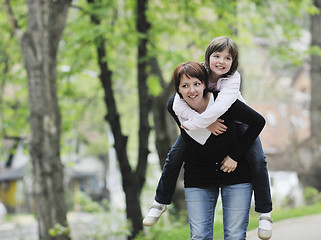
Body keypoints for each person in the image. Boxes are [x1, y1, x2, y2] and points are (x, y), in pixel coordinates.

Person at [143, 37, 272, 240]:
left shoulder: (232, 79)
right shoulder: (198, 73)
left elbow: (223, 108)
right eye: (216, 56)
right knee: (175, 155)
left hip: (238, 122)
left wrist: (204, 124)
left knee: (257, 158)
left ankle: (265, 212)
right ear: (208, 57)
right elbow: (174, 104)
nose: (221, 61)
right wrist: (202, 123)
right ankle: (160, 202)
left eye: (227, 58)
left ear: (234, 62)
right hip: (201, 125)